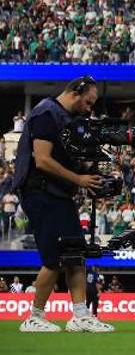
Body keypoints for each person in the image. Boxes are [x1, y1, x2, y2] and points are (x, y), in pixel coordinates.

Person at [12, 76, 113, 332]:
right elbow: (43, 161)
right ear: (75, 93)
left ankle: (80, 316)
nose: (90, 108)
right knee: (54, 259)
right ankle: (34, 317)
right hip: (40, 193)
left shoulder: (69, 121)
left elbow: (67, 160)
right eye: (89, 102)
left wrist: (90, 169)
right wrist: (79, 178)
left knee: (75, 255)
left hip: (58, 195)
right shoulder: (46, 113)